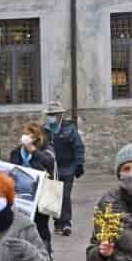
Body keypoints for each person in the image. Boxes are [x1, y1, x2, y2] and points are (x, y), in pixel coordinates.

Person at [8, 123, 56, 260]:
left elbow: (50, 163)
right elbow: (11, 168)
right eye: (25, 133)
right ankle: (25, 253)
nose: (26, 136)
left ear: (36, 136)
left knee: (41, 224)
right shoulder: (16, 151)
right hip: (22, 194)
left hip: (41, 192)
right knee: (22, 223)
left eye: (30, 134)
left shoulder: (45, 149)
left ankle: (46, 253)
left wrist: (32, 150)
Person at [43, 101, 86, 236]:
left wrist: (79, 164)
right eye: (50, 114)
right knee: (54, 196)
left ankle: (66, 223)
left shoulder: (69, 129)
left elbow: (78, 147)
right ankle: (57, 223)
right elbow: (39, 148)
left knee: (65, 196)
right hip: (50, 169)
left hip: (67, 168)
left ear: (60, 115)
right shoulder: (44, 130)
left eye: (54, 114)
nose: (51, 116)